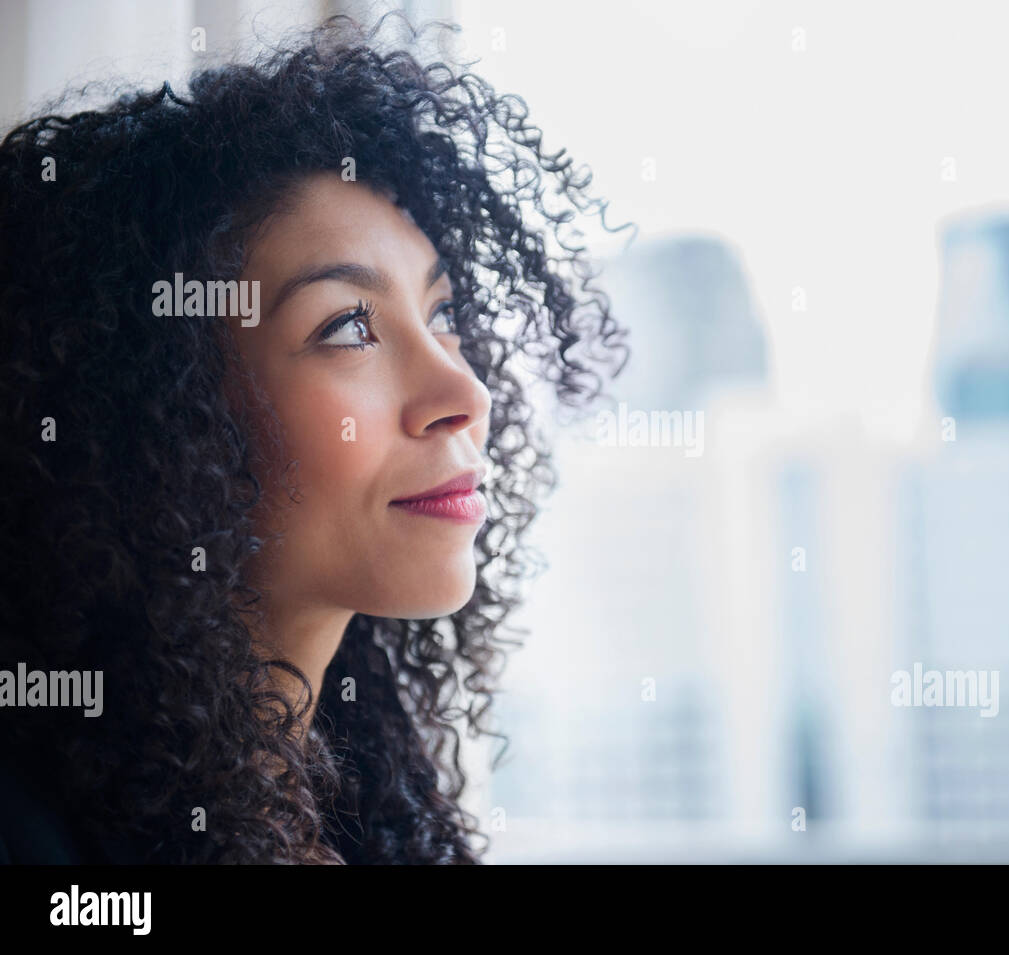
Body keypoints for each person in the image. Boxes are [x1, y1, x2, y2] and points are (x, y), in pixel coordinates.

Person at [0, 14, 629, 864]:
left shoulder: (367, 800)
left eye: (441, 314)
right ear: (158, 412)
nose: (464, 394)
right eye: (347, 328)